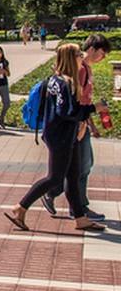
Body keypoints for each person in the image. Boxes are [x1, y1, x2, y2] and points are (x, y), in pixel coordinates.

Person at [5, 43, 106, 232]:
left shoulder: (57, 80)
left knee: (73, 177)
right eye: (78, 54)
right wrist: (94, 108)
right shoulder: (64, 82)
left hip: (66, 135)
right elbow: (67, 111)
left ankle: (80, 218)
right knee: (54, 178)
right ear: (70, 57)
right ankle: (20, 207)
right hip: (61, 136)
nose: (81, 56)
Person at [41, 33, 112, 221]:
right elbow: (75, 103)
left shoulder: (86, 69)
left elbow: (83, 101)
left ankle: (69, 203)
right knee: (78, 168)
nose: (103, 58)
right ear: (92, 49)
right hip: (73, 126)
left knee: (76, 168)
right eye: (102, 53)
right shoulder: (79, 71)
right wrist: (83, 124)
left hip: (80, 124)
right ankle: (76, 206)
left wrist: (91, 124)